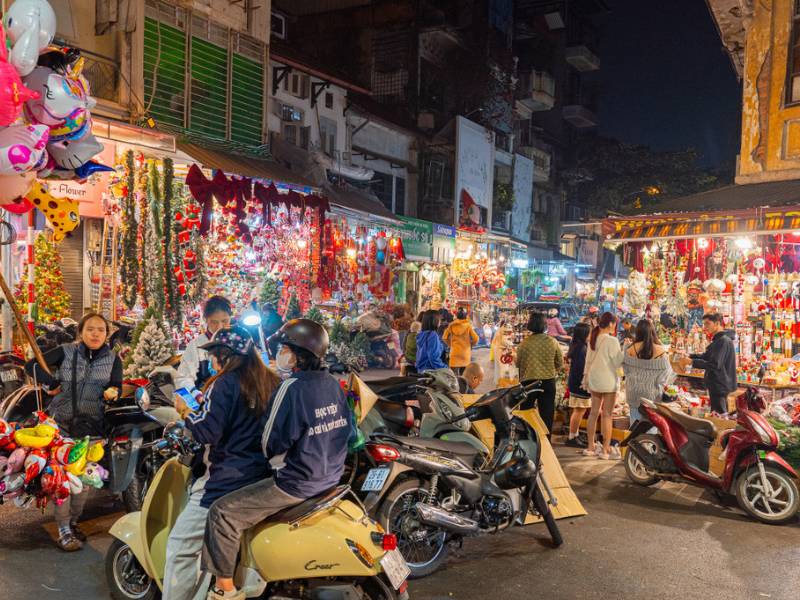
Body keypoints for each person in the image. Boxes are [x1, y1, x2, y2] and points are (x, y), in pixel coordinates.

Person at [201, 319, 350, 600]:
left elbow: (270, 443)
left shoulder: (291, 388)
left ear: (297, 353)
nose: (281, 353)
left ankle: (225, 589)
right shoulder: (332, 384)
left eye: (284, 348)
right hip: (331, 476)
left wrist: (276, 461)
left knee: (222, 513)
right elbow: (346, 430)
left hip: (296, 483)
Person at [164, 326, 280, 600]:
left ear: (224, 356)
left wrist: (187, 413)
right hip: (262, 478)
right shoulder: (272, 381)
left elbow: (207, 431)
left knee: (180, 547)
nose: (212, 362)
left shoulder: (224, 383)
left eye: (214, 356)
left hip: (225, 479)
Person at [25, 312, 122, 551]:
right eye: (90, 329)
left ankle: (74, 521)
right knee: (63, 482)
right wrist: (50, 382)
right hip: (62, 427)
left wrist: (114, 392)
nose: (96, 333)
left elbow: (117, 386)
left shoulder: (113, 360)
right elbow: (31, 366)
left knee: (83, 482)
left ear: (107, 334)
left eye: (101, 329)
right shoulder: (66, 351)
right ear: (81, 332)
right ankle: (64, 529)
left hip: (92, 428)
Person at [582, 312, 624, 460]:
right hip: (608, 381)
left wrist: (585, 378)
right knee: (607, 415)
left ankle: (590, 447)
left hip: (594, 380)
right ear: (611, 324)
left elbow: (587, 361)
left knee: (594, 413)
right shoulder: (612, 341)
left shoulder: (593, 338)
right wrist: (625, 352)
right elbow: (618, 362)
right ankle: (606, 450)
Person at [515, 312, 564, 436]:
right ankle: (546, 441)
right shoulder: (552, 342)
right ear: (544, 325)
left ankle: (527, 438)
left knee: (526, 412)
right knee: (547, 414)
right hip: (547, 382)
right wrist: (552, 369)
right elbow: (560, 362)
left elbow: (518, 363)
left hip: (528, 382)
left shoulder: (524, 343)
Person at [679, 313, 737, 414]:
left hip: (720, 385)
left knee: (720, 415)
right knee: (718, 413)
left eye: (707, 324)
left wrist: (692, 362)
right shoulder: (719, 340)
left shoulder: (723, 341)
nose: (705, 327)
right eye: (704, 324)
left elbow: (714, 364)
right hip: (717, 384)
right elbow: (706, 356)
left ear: (717, 323)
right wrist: (690, 356)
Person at [176, 296, 233, 391]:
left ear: (230, 318)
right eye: (214, 322)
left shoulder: (239, 341)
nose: (220, 327)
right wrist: (196, 395)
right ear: (205, 319)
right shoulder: (196, 346)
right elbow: (183, 377)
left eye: (224, 321)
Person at [623, 319, 675, 424]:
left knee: (635, 428)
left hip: (633, 393)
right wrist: (658, 383)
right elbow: (668, 374)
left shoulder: (629, 349)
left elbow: (626, 371)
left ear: (637, 332)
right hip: (652, 395)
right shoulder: (660, 350)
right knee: (651, 429)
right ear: (652, 331)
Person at [565, 322, 591, 448]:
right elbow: (582, 369)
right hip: (579, 384)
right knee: (579, 410)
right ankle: (572, 436)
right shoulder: (582, 349)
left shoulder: (578, 345)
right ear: (584, 334)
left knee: (579, 410)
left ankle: (574, 434)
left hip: (575, 382)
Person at [442, 307, 479, 375]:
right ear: (465, 316)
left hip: (454, 353)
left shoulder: (451, 325)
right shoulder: (468, 326)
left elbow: (444, 337)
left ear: (456, 316)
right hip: (465, 353)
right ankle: (462, 385)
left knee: (454, 376)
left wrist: (450, 345)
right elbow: (476, 338)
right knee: (464, 376)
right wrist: (470, 345)